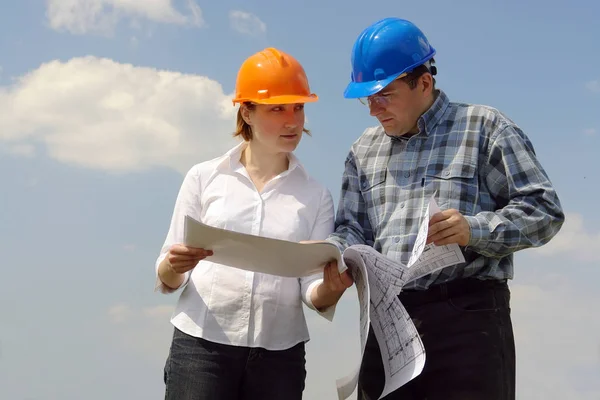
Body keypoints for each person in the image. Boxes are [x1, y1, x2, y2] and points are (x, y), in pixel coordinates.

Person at [326, 17, 565, 400]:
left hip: (469, 322)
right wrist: (335, 254)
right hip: (389, 323)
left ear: (423, 82)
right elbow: (352, 229)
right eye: (367, 98)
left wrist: (475, 230)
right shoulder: (362, 151)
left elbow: (544, 210)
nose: (373, 109)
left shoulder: (485, 127)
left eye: (384, 94)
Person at [154, 47, 353, 400]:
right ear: (246, 111)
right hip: (201, 348)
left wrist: (331, 289)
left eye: (298, 107)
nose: (292, 120)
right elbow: (168, 276)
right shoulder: (203, 178)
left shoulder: (316, 196)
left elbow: (312, 290)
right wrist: (173, 264)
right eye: (277, 108)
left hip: (279, 359)